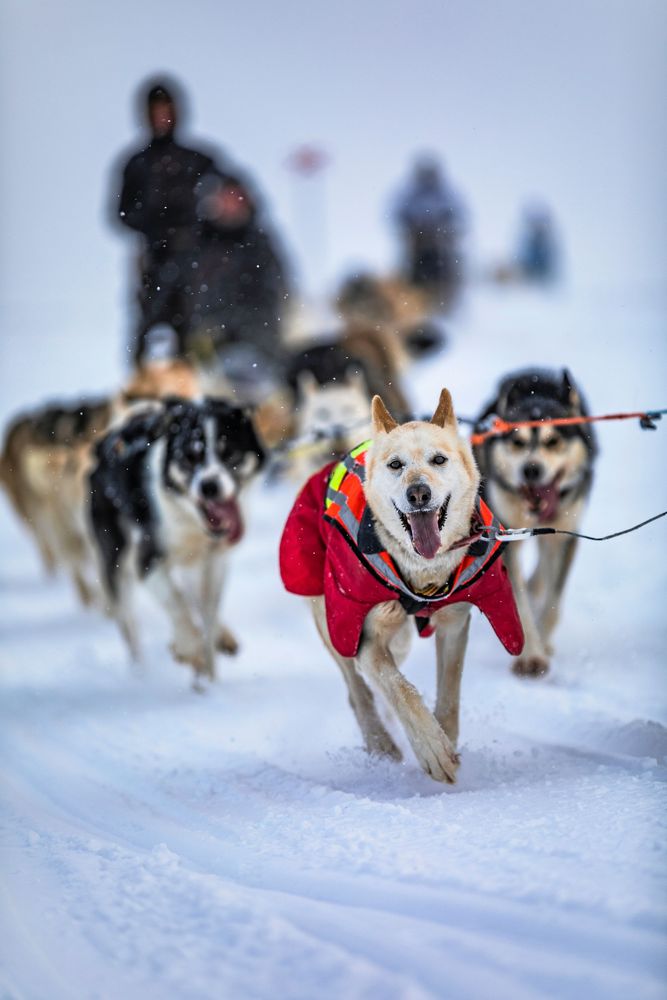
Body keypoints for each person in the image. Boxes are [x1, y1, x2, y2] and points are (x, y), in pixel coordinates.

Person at [113, 77, 218, 363]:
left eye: (166, 111)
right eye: (156, 112)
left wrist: (198, 227)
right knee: (150, 326)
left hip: (199, 261)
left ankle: (194, 376)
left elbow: (231, 199)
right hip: (154, 260)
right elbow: (121, 214)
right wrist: (159, 227)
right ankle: (145, 379)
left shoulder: (199, 161)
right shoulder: (137, 165)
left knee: (198, 327)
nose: (162, 118)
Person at [187, 169, 291, 396]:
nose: (230, 204)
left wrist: (228, 325)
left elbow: (271, 294)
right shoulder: (200, 244)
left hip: (254, 344)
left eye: (236, 197)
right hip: (206, 346)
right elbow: (192, 294)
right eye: (225, 197)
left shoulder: (259, 245)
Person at [394, 156, 466, 308]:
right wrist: (410, 227)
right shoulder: (410, 194)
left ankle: (445, 302)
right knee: (412, 273)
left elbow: (458, 215)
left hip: (440, 242)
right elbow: (398, 213)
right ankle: (413, 303)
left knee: (445, 271)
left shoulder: (445, 194)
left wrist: (447, 228)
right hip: (417, 243)